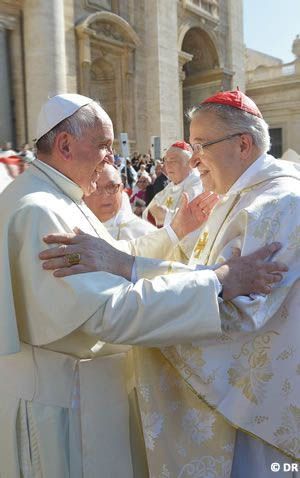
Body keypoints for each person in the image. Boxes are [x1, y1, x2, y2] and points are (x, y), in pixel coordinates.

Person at [0, 92, 283, 478]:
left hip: (84, 393)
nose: (110, 157)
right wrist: (216, 283)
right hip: (61, 406)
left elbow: (111, 256)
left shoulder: (59, 197)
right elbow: (110, 312)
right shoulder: (39, 210)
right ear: (65, 144)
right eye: (102, 145)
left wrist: (173, 232)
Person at [85, 163, 156, 240]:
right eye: (96, 187)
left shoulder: (148, 235)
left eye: (112, 186)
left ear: (121, 189)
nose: (105, 195)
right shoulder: (74, 229)